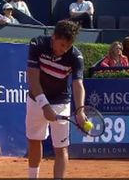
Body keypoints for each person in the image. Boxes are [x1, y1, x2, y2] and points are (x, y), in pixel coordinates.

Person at [26, 20, 87, 179]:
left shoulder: (75, 56)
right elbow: (33, 79)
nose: (64, 50)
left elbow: (78, 84)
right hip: (36, 100)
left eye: (67, 46)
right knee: (34, 140)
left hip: (61, 102)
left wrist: (80, 111)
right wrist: (44, 105)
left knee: (61, 148)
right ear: (53, 37)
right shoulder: (37, 44)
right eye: (61, 45)